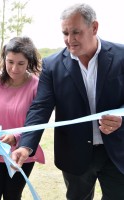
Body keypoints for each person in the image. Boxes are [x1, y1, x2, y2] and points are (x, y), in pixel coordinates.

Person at [11, 3, 124, 200]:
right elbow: (41, 107)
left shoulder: (122, 56)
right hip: (75, 155)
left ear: (94, 27)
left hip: (116, 153)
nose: (69, 40)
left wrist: (122, 118)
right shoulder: (52, 65)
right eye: (65, 33)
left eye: (76, 32)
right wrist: (26, 145)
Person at [0, 36, 45, 200]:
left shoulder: (37, 86)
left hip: (22, 154)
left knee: (13, 196)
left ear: (29, 62)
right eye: (10, 62)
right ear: (4, 59)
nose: (14, 68)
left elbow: (38, 121)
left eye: (21, 63)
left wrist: (16, 138)